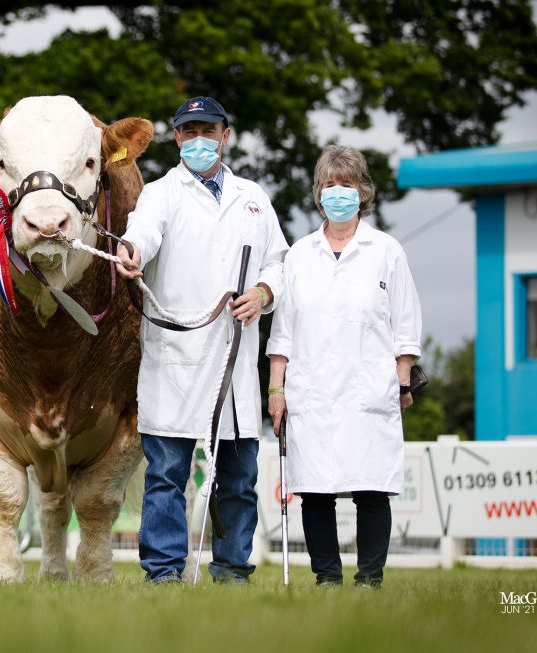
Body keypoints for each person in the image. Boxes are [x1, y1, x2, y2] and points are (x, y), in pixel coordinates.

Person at [116, 96, 288, 584]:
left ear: (225, 134)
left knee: (238, 480)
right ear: (176, 138)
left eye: (207, 130)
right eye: (188, 132)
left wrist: (263, 291)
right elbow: (142, 232)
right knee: (166, 476)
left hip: (234, 360)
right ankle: (164, 573)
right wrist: (130, 251)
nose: (198, 140)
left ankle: (233, 570)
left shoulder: (253, 197)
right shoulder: (162, 193)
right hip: (176, 358)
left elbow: (280, 261)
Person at [265, 144, 422, 588]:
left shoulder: (386, 251)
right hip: (310, 392)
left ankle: (369, 579)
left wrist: (401, 381)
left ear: (363, 193)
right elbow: (283, 333)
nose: (338, 193)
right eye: (330, 185)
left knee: (372, 488)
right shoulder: (299, 254)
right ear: (318, 194)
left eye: (347, 185)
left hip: (369, 388)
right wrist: (276, 390)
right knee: (314, 490)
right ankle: (327, 579)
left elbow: (406, 324)